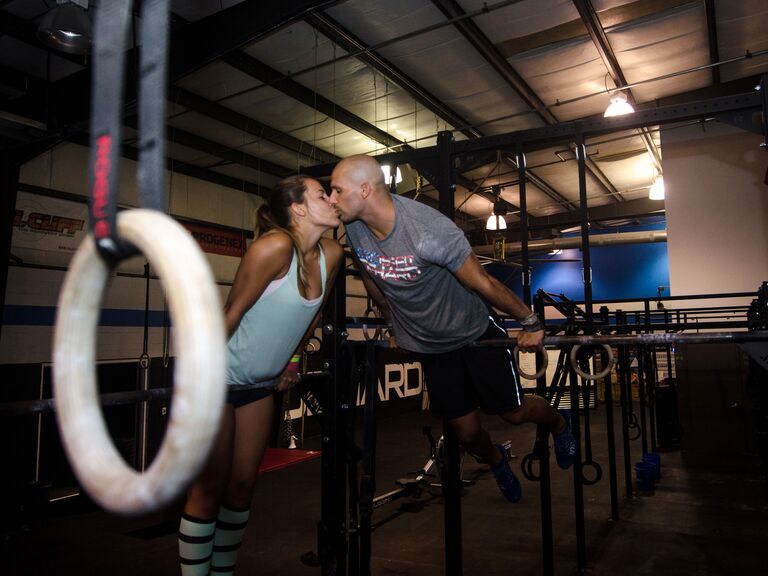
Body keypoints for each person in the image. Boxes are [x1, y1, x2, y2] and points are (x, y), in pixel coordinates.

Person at [329, 155, 576, 504]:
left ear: (365, 189)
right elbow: (372, 274)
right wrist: (391, 322)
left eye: (338, 190)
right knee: (467, 432)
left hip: (474, 332)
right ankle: (496, 459)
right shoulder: (354, 227)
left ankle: (559, 423)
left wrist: (530, 322)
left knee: (513, 413)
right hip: (433, 346)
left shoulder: (429, 230)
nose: (332, 199)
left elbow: (484, 284)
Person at [178, 175, 344, 575]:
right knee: (209, 489)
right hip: (215, 381)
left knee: (242, 489)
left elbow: (313, 317)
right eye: (324, 194)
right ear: (299, 208)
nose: (334, 200)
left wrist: (291, 362)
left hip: (257, 386)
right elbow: (229, 316)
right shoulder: (272, 247)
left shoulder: (333, 254)